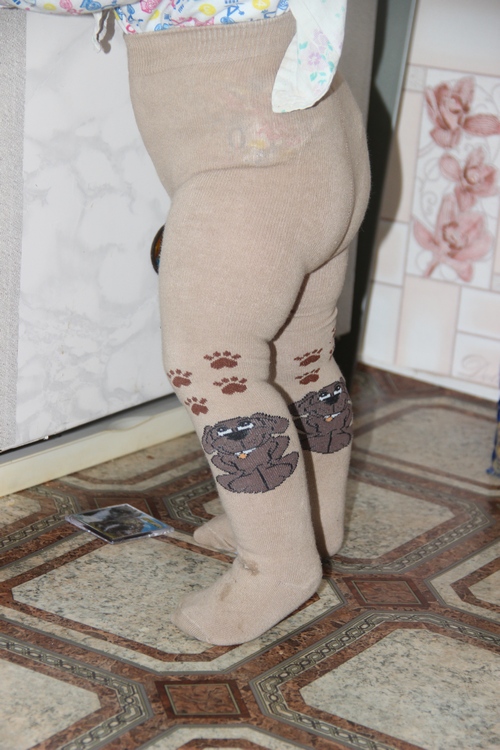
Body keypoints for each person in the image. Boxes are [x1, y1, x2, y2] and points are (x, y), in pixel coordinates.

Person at [1, 0, 370, 645]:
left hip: (251, 163)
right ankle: (312, 523)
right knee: (302, 354)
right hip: (326, 138)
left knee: (211, 364)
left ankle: (278, 565)